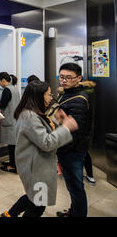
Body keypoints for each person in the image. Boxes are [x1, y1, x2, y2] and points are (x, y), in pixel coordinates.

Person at [1, 81, 78, 217]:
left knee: (33, 198)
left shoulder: (31, 114)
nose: (50, 98)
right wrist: (66, 128)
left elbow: (40, 132)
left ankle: (9, 215)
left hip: (35, 166)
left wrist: (56, 121)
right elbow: (46, 143)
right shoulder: (30, 116)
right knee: (37, 205)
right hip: (36, 168)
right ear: (39, 96)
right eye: (48, 95)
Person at [56, 63, 92, 217]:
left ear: (78, 78)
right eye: (61, 77)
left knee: (75, 187)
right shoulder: (66, 93)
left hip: (72, 150)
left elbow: (74, 131)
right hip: (68, 148)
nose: (64, 80)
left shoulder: (79, 99)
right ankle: (74, 211)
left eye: (68, 78)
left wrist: (59, 151)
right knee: (72, 186)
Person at [0, 72, 21, 173]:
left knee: (12, 146)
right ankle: (12, 163)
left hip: (10, 120)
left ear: (3, 80)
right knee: (13, 145)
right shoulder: (15, 88)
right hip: (15, 119)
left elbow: (3, 104)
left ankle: (13, 166)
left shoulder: (7, 90)